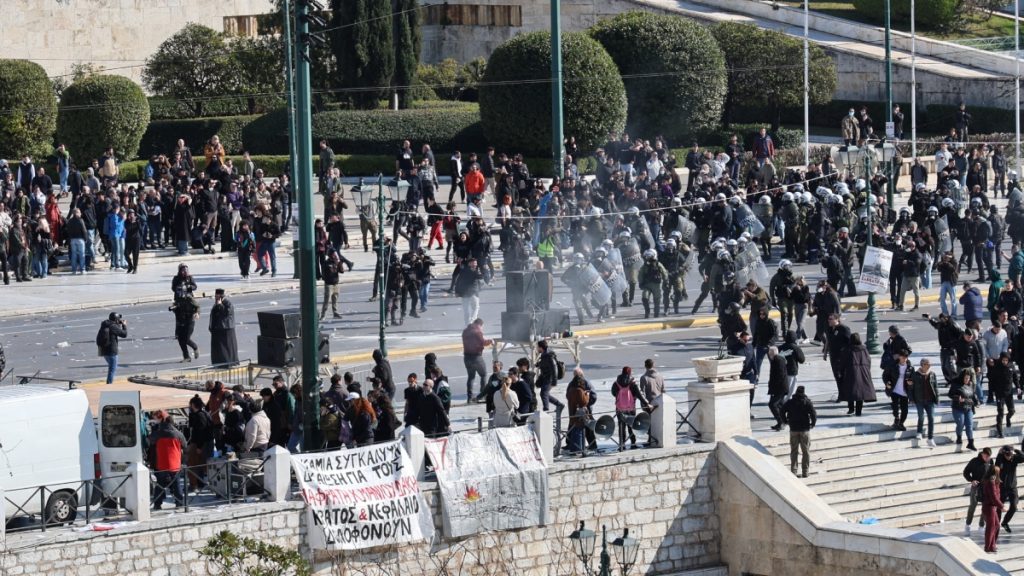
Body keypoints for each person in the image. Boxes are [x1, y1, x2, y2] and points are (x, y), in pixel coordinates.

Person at [150, 410, 186, 510]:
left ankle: (157, 504)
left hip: (161, 463)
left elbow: (151, 441)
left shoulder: (158, 433)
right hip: (175, 463)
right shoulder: (178, 433)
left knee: (160, 485)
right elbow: (185, 445)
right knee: (176, 483)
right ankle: (179, 502)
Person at [612, 366, 651, 451]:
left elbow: (613, 393)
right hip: (631, 408)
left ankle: (622, 445)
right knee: (632, 425)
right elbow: (639, 395)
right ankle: (633, 444)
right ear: (629, 373)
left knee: (621, 426)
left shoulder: (616, 383)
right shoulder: (632, 383)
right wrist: (646, 403)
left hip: (619, 408)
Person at [781, 385, 816, 478]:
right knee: (806, 451)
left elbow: (782, 411)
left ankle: (794, 471)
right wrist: (813, 424)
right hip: (805, 430)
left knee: (794, 451)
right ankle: (805, 471)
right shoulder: (807, 402)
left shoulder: (790, 402)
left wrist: (785, 421)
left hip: (793, 429)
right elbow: (813, 413)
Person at [840, 332, 876, 416]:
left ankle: (851, 408)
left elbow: (843, 362)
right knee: (861, 392)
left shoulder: (847, 349)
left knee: (851, 390)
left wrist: (841, 372)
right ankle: (858, 411)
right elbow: (868, 360)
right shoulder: (864, 349)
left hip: (851, 371)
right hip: (863, 372)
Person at [185, 395, 213, 491]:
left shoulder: (199, 416)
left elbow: (201, 432)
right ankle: (199, 482)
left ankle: (194, 484)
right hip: (203, 443)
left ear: (193, 405)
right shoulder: (204, 414)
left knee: (193, 464)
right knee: (199, 464)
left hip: (199, 444)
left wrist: (199, 447)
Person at [462, 318, 492, 403]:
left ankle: (469, 397)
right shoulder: (477, 331)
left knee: (471, 377)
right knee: (483, 374)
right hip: (476, 357)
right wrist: (490, 341)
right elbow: (483, 342)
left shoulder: (465, 331)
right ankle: (482, 395)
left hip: (467, 357)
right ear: (480, 324)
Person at [910, 358, 939, 447]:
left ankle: (930, 438)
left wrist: (937, 398)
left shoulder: (932, 374)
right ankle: (919, 432)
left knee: (931, 418)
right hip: (919, 400)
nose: (929, 365)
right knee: (921, 416)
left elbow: (935, 387)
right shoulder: (915, 375)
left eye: (930, 364)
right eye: (927, 364)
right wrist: (911, 399)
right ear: (922, 365)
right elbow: (911, 388)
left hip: (930, 400)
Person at [882, 351, 913, 432]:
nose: (904, 360)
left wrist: (911, 382)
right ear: (899, 357)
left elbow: (913, 379)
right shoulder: (893, 366)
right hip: (894, 390)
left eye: (906, 358)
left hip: (904, 392)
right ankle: (897, 418)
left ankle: (901, 423)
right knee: (895, 407)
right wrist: (887, 383)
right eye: (903, 358)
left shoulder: (910, 368)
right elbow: (885, 375)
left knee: (905, 410)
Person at [965, 447, 993, 533]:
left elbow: (992, 472)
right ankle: (968, 524)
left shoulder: (990, 461)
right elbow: (966, 472)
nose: (987, 459)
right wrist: (971, 480)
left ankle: (981, 525)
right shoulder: (974, 461)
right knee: (973, 505)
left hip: (986, 487)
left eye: (989, 457)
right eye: (986, 456)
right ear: (982, 454)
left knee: (985, 507)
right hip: (976, 487)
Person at [949, 368, 978, 450]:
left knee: (969, 425)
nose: (967, 380)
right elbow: (950, 394)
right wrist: (957, 397)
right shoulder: (956, 384)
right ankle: (959, 436)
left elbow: (973, 394)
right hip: (958, 408)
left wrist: (976, 401)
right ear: (962, 377)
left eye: (968, 378)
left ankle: (971, 442)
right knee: (960, 424)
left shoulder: (970, 384)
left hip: (968, 407)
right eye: (965, 378)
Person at [209, 289, 238, 367]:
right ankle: (219, 363)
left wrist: (220, 305)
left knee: (226, 347)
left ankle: (227, 363)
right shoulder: (217, 303)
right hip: (217, 329)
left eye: (217, 296)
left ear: (221, 296)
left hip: (225, 329)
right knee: (218, 347)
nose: (215, 297)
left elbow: (226, 313)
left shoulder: (227, 303)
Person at [997, 445, 1024, 532]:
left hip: (1012, 487)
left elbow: (1023, 457)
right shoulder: (1001, 458)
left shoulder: (1014, 458)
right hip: (1002, 487)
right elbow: (996, 466)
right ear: (1004, 454)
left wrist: (1016, 450)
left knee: (1014, 506)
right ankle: (996, 525)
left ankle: (1005, 522)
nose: (1008, 457)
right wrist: (999, 454)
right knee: (999, 508)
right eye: (1006, 455)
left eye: (1010, 455)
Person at [97, 312, 128, 384]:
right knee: (112, 369)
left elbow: (113, 329)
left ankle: (109, 383)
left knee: (111, 367)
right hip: (111, 351)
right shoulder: (113, 327)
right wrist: (124, 325)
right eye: (118, 319)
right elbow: (124, 334)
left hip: (103, 350)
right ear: (116, 319)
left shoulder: (105, 324)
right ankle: (109, 384)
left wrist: (118, 324)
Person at [170, 292, 200, 363]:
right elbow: (176, 311)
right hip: (181, 322)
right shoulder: (177, 302)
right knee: (180, 339)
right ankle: (186, 357)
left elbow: (197, 306)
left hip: (190, 321)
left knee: (186, 339)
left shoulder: (189, 299)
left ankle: (195, 347)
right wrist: (174, 308)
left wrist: (197, 313)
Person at [536, 340, 565, 413]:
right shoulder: (544, 355)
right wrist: (539, 364)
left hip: (550, 378)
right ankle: (559, 405)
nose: (537, 349)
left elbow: (554, 368)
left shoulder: (549, 356)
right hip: (546, 377)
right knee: (544, 393)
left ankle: (546, 410)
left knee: (544, 393)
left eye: (537, 347)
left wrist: (554, 382)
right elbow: (545, 364)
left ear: (541, 347)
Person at [767, 347, 789, 431]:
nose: (768, 354)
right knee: (780, 405)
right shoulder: (779, 359)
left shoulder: (777, 360)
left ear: (772, 353)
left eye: (769, 353)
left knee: (772, 404)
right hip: (780, 387)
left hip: (779, 388)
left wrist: (773, 388)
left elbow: (779, 375)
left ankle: (781, 422)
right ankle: (783, 421)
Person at [983, 465, 1004, 553]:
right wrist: (1001, 506)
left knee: (996, 525)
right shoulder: (991, 482)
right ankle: (988, 547)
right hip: (989, 507)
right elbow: (994, 497)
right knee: (991, 527)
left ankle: (992, 545)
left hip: (992, 507)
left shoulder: (993, 481)